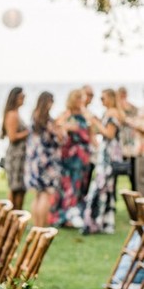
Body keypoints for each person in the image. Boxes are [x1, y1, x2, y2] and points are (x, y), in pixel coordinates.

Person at [82, 89, 123, 235]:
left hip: (108, 158)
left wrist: (96, 123)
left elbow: (109, 134)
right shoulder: (109, 113)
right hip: (105, 155)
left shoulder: (113, 113)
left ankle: (95, 221)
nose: (101, 101)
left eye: (103, 98)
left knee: (100, 188)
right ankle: (102, 222)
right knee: (105, 189)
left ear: (110, 98)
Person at [51, 89, 93, 228]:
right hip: (69, 155)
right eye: (79, 98)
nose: (82, 101)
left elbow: (91, 131)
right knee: (67, 186)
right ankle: (64, 216)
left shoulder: (85, 114)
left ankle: (74, 214)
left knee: (79, 186)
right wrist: (67, 128)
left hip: (81, 156)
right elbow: (56, 126)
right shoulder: (67, 114)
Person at [25, 92, 62, 227]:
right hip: (47, 162)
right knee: (46, 194)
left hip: (34, 162)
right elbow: (59, 137)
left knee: (38, 195)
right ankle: (42, 226)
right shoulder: (47, 121)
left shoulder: (34, 117)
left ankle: (36, 225)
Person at [0, 86, 29, 210]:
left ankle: (17, 215)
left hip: (20, 155)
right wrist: (28, 132)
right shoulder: (12, 114)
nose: (24, 99)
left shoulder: (16, 113)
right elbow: (12, 137)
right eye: (22, 97)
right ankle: (13, 216)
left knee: (20, 189)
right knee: (16, 188)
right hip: (16, 155)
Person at [117, 86, 138, 191]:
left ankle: (134, 192)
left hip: (131, 145)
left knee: (133, 172)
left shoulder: (132, 108)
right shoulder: (116, 110)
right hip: (120, 145)